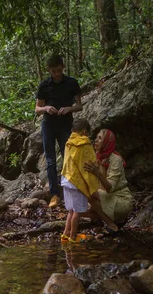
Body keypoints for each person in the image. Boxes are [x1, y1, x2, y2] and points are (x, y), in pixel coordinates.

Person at [35, 54, 83, 208]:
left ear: (63, 67)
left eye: (59, 70)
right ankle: (54, 195)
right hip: (48, 125)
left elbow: (79, 105)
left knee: (67, 157)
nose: (57, 73)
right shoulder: (44, 85)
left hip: (65, 124)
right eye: (54, 71)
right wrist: (46, 108)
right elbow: (37, 109)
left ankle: (70, 191)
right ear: (49, 70)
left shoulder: (71, 83)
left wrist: (69, 108)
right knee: (50, 161)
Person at [84, 129, 134, 234]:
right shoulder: (98, 156)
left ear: (107, 142)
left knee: (89, 194)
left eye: (100, 138)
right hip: (106, 196)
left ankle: (112, 225)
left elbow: (109, 188)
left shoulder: (116, 159)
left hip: (121, 199)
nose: (96, 141)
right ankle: (104, 219)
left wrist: (97, 172)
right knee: (85, 207)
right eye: (96, 137)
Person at [60, 118, 100, 243]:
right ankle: (73, 237)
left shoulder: (69, 142)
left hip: (66, 178)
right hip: (77, 183)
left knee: (71, 210)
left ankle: (65, 235)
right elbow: (89, 164)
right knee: (77, 211)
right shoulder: (84, 144)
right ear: (84, 131)